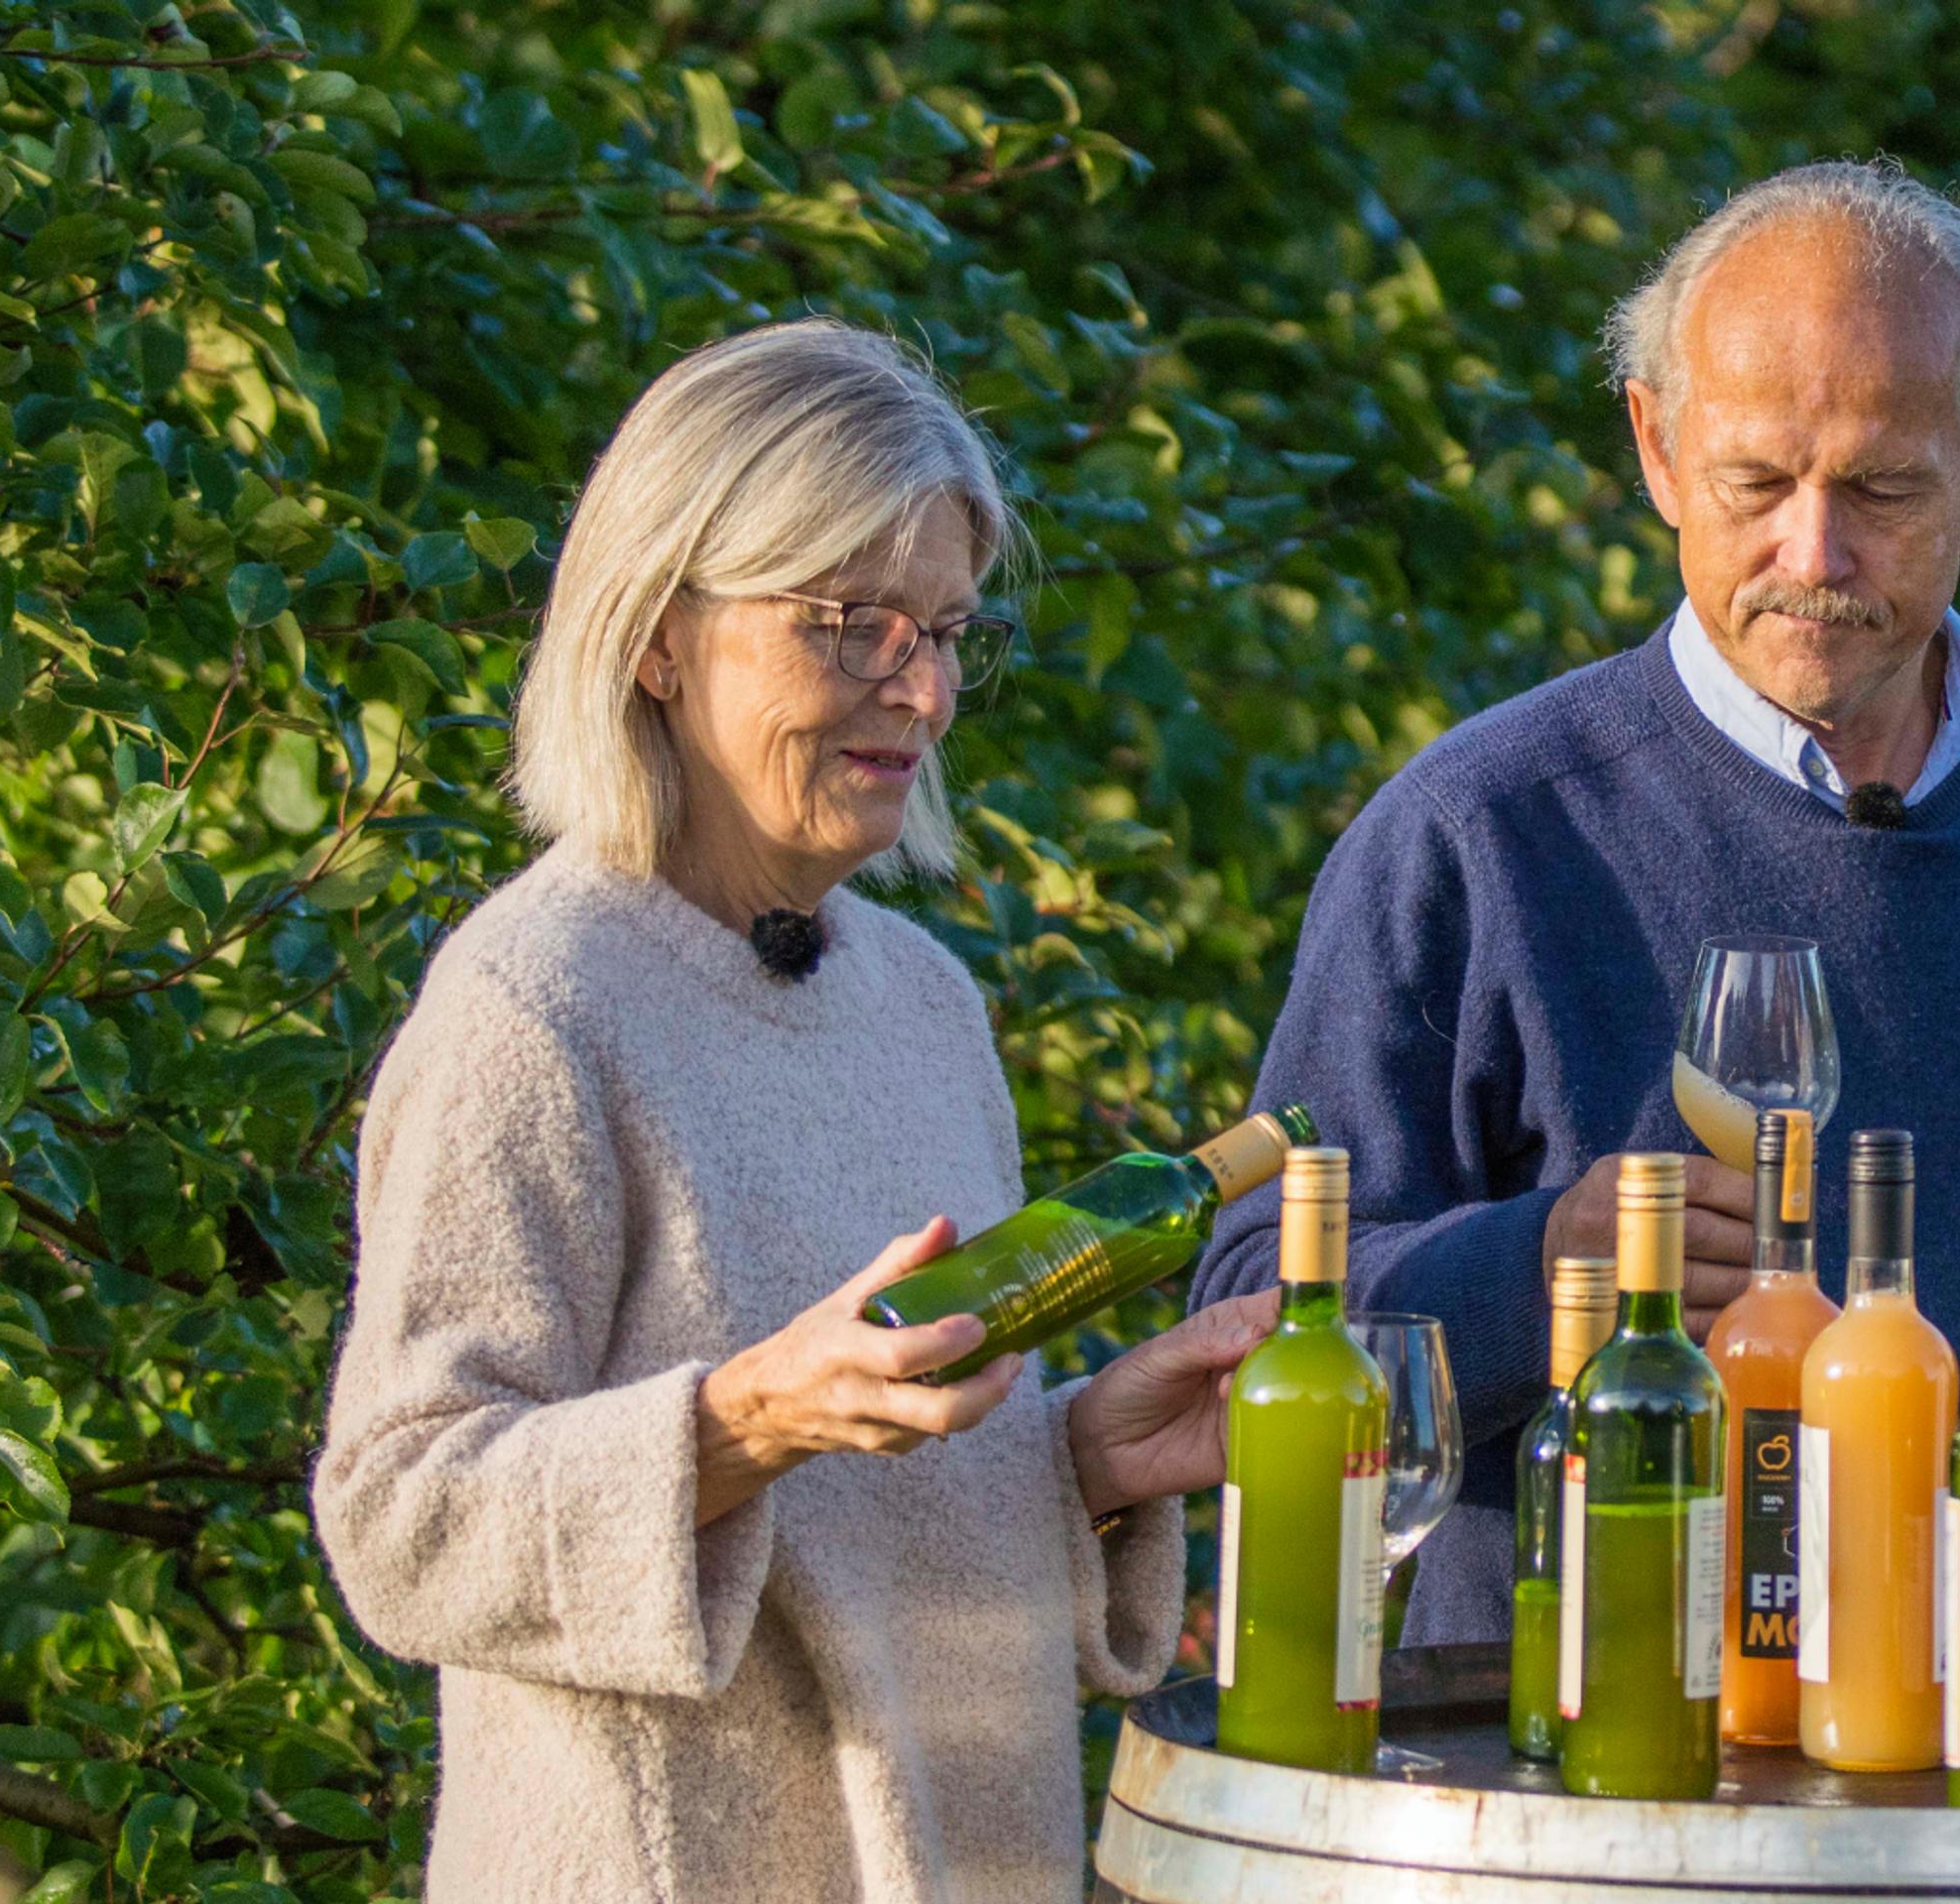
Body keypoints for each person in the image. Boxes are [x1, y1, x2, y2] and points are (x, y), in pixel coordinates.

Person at [1191, 160, 1960, 1644]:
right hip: (1574, 1763)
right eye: (1757, 482)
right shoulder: (1478, 832)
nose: (1811, 556)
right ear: (1658, 449)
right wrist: (1542, 1267)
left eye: (1883, 489)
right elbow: (1241, 1314)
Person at [315, 319, 1275, 1900]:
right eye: (849, 624)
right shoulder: (536, 1006)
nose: (922, 688)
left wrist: (1079, 1463)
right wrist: (741, 1420)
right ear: (656, 636)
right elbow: (401, 1520)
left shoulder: (921, 1002)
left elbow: (880, 1495)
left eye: (948, 630)